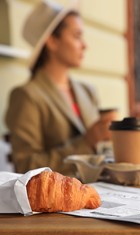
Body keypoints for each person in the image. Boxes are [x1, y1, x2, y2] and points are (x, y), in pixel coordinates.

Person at [5, 0, 113, 175]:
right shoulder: (26, 96)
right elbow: (26, 165)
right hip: (59, 199)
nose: (85, 45)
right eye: (77, 36)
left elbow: (102, 151)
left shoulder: (88, 91)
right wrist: (86, 142)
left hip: (100, 191)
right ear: (52, 42)